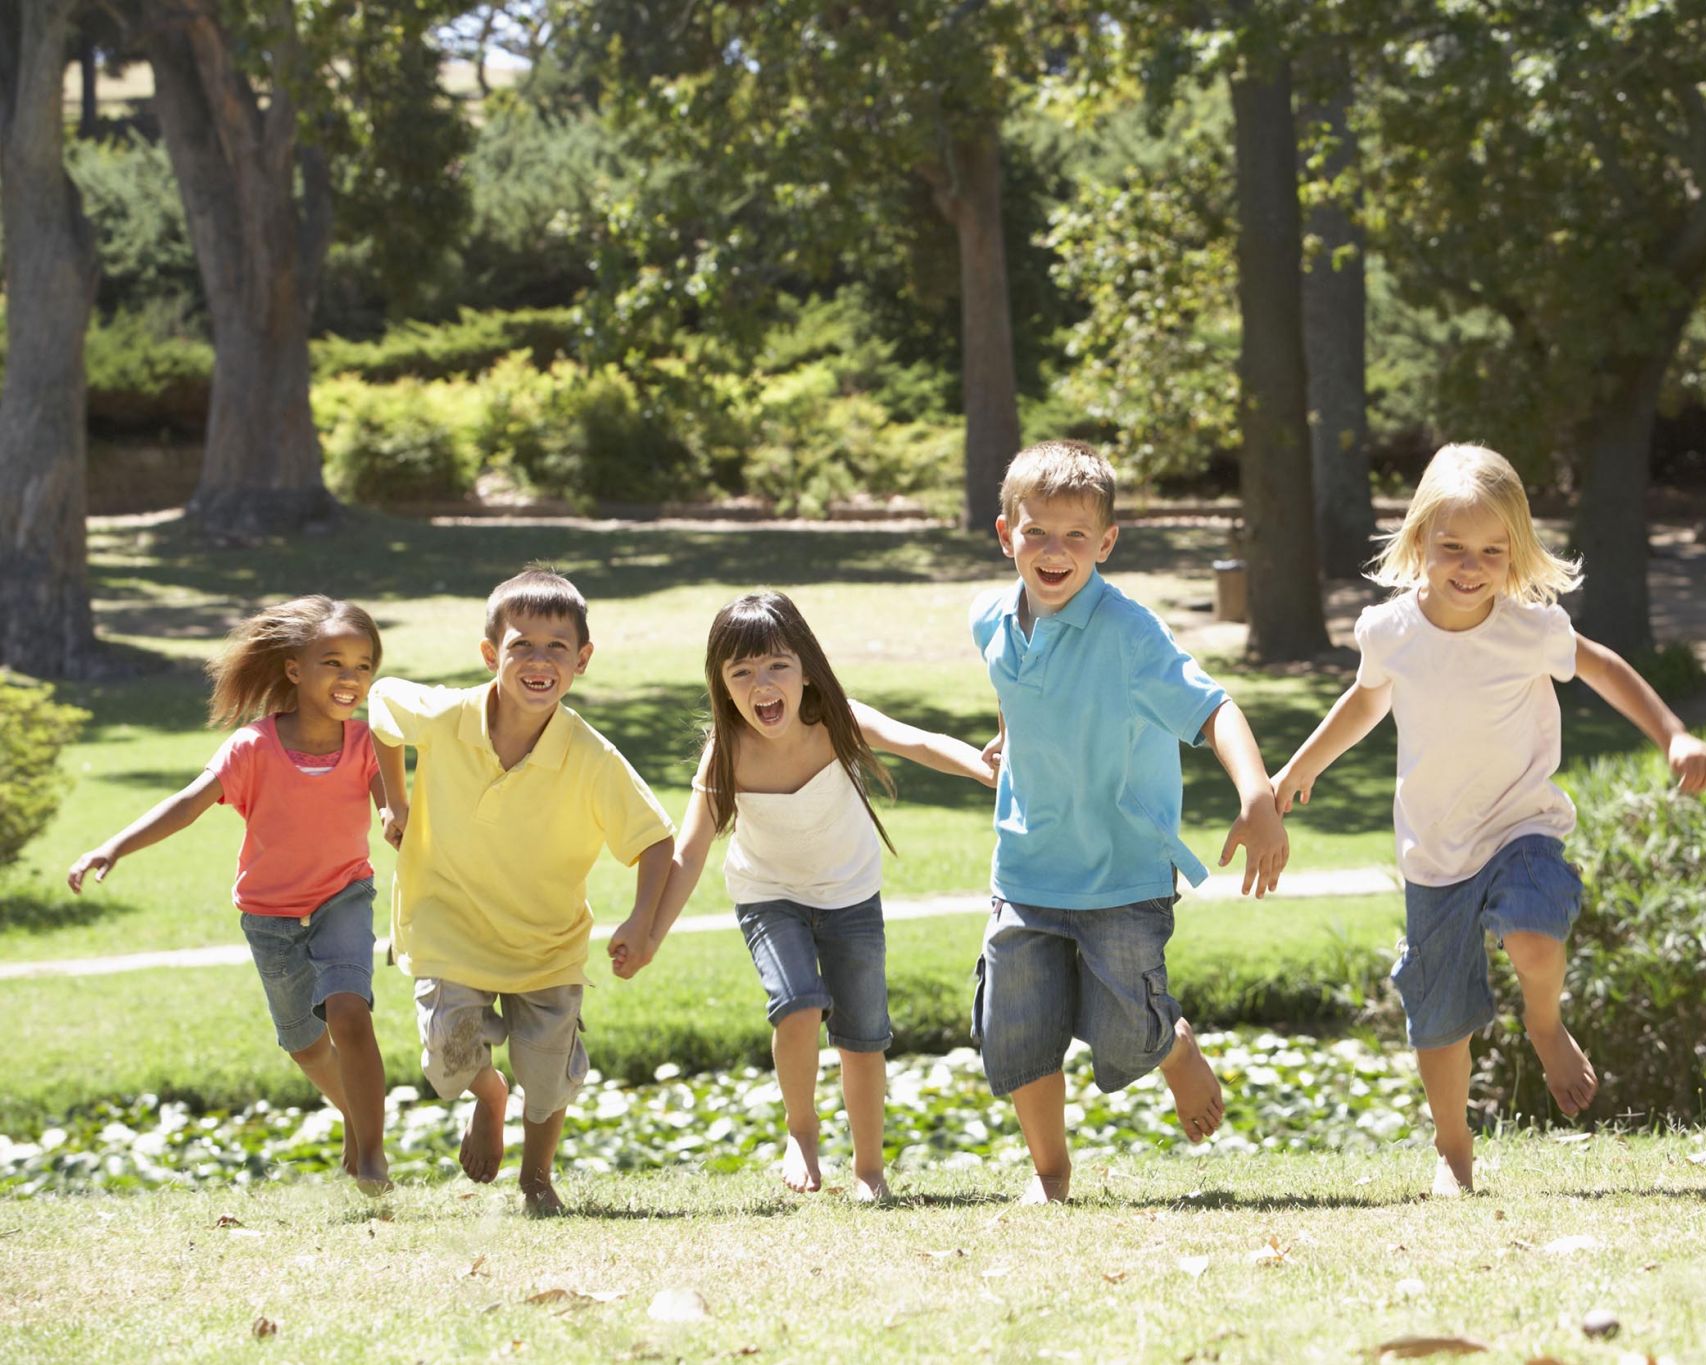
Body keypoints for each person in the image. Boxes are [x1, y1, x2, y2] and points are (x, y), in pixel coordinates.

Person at [1273, 443, 1706, 1197]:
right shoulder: (1390, 632)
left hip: (1522, 824)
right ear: (1419, 542)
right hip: (1434, 851)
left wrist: (1673, 732)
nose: (1470, 564)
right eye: (1451, 547)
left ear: (1515, 551)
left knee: (1535, 938)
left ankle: (1545, 1022)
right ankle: (1454, 1151)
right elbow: (1365, 699)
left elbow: (1605, 666)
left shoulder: (1530, 627)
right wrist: (1300, 768)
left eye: (1490, 549)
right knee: (1440, 1016)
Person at [971, 439, 1290, 1204]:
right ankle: (1051, 1175)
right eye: (1037, 532)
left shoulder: (1130, 632)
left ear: (1106, 543)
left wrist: (1256, 795)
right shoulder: (989, 619)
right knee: (1016, 1028)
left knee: (1125, 1030)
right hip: (1025, 863)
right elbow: (1028, 686)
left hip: (1120, 873)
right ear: (1005, 532)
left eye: (1076, 536)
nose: (1054, 551)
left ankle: (1171, 1047)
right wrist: (1016, 732)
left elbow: (1212, 707)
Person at [631, 591, 997, 1202]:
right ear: (722, 685)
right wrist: (648, 936)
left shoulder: (837, 722)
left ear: (805, 667)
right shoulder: (727, 751)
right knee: (797, 1003)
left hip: (850, 896)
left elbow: (922, 743)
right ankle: (801, 1132)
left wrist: (986, 769)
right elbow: (688, 853)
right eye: (741, 672)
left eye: (777, 665)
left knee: (863, 1034)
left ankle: (869, 1170)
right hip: (768, 895)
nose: (762, 684)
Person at [370, 564, 675, 1215]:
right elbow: (380, 707)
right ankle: (489, 1095)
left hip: (547, 943)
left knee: (548, 1074)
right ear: (490, 655)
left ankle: (537, 1178)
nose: (540, 662)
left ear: (583, 660)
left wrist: (641, 923)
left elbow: (655, 839)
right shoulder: (448, 715)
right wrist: (393, 800)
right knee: (447, 1059)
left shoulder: (591, 756)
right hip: (447, 926)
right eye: (522, 647)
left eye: (557, 648)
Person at [68, 596, 395, 1196]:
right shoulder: (253, 747)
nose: (350, 678)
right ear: (294, 669)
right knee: (305, 1046)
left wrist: (402, 823)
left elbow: (395, 810)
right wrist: (113, 846)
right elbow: (189, 803)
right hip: (269, 918)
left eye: (363, 665)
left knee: (350, 1013)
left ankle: (371, 1157)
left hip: (344, 898)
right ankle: (354, 1116)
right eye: (333, 662)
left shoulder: (368, 744)